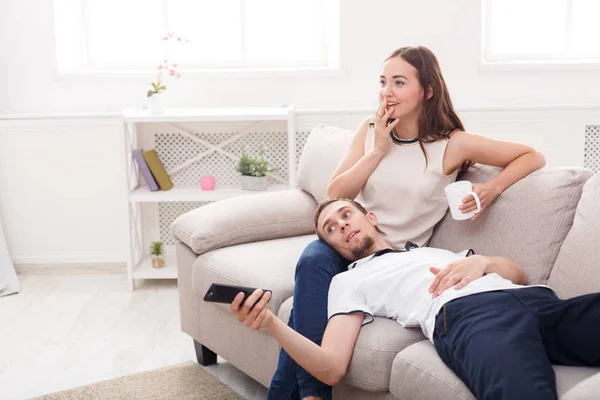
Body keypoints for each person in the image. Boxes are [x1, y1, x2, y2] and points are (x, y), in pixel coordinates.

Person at [272, 45, 547, 400]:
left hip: (393, 261)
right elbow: (335, 194)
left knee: (299, 313)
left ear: (427, 90)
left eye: (399, 82)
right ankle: (313, 396)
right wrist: (377, 150)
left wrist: (491, 189)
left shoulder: (452, 145)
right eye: (383, 81)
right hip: (350, 241)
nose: (387, 91)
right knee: (311, 264)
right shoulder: (371, 129)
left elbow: (531, 156)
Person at [232, 198, 600, 400]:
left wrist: (482, 262)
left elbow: (517, 273)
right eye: (331, 229)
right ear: (333, 248)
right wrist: (271, 324)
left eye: (346, 214)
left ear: (370, 218)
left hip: (539, 301)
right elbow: (331, 368)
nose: (342, 225)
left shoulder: (436, 251)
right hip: (470, 319)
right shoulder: (349, 282)